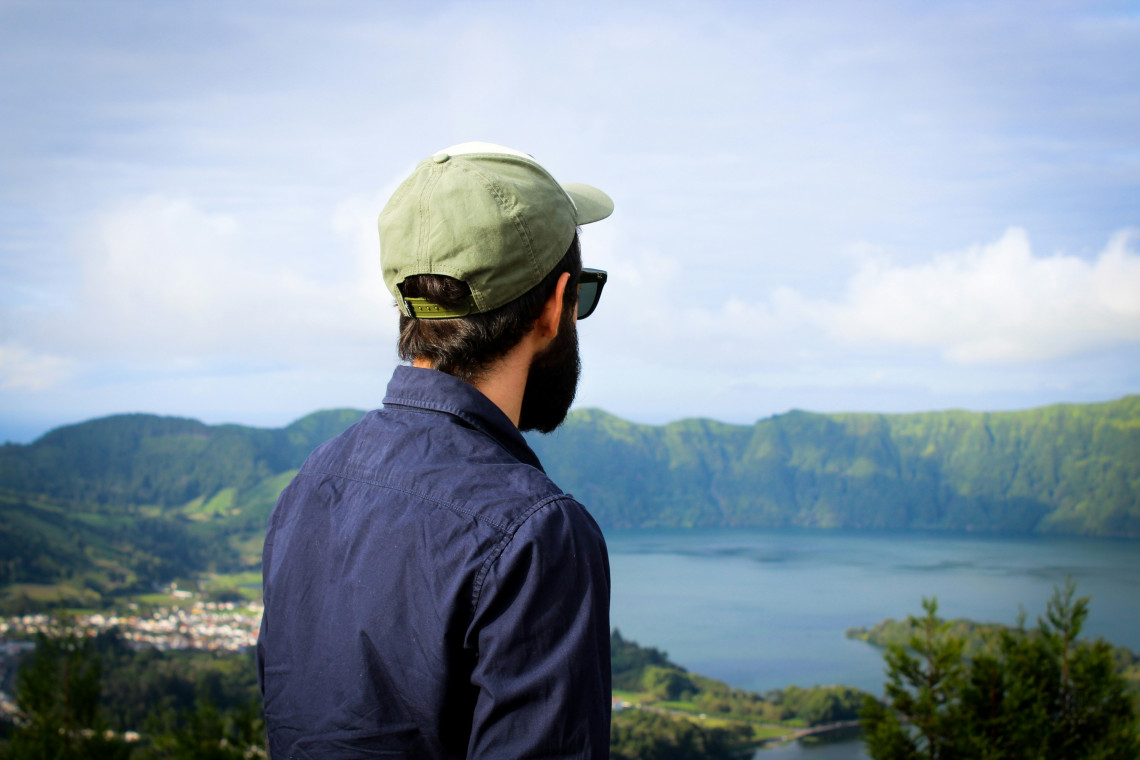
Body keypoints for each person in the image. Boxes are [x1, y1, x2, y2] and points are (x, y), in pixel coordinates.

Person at [257, 142, 614, 759]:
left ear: (409, 305)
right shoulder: (536, 536)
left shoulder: (313, 482)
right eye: (580, 295)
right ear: (556, 307)